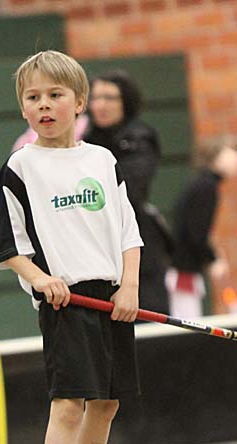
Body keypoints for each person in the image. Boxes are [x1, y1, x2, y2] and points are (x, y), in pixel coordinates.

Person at [0, 50, 143, 444]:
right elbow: (6, 246)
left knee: (106, 404)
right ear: (23, 109)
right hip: (65, 301)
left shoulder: (102, 160)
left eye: (55, 95)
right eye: (33, 97)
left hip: (111, 299)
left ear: (79, 103)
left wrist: (129, 287)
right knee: (69, 404)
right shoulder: (20, 167)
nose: (44, 105)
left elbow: (128, 231)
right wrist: (39, 279)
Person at [84, 69, 173, 314]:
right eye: (95, 98)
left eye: (109, 98)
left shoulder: (140, 137)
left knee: (147, 318)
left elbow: (131, 191)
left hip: (138, 245)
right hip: (97, 249)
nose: (100, 105)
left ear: (125, 101)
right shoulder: (84, 140)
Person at [166, 134, 237, 318]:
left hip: (186, 271)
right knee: (188, 323)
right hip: (183, 274)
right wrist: (213, 259)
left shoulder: (202, 185)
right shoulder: (206, 187)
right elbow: (197, 232)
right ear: (218, 155)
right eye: (234, 151)